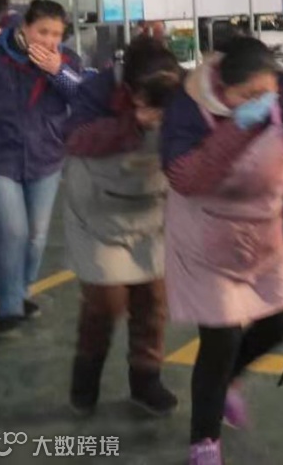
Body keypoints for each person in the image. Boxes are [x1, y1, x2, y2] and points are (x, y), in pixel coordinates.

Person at [160, 36, 283, 465]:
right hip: (206, 234)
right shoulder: (186, 108)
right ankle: (204, 441)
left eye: (268, 91)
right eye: (250, 95)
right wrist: (238, 128)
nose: (263, 100)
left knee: (278, 322)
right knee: (221, 336)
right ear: (223, 87)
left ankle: (229, 380)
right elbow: (186, 178)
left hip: (265, 229)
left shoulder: (281, 89)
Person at [63, 36, 185, 416]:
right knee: (106, 303)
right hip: (97, 208)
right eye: (149, 102)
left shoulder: (182, 90)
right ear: (129, 88)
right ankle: (85, 380)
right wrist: (130, 124)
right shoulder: (94, 91)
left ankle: (146, 380)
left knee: (153, 300)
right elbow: (76, 138)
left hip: (151, 206)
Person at [0, 0, 83, 335]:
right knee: (12, 232)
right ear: (24, 27)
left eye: (56, 34)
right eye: (42, 32)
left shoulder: (67, 61)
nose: (49, 40)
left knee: (36, 236)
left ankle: (22, 291)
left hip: (45, 158)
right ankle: (7, 307)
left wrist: (57, 71)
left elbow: (82, 98)